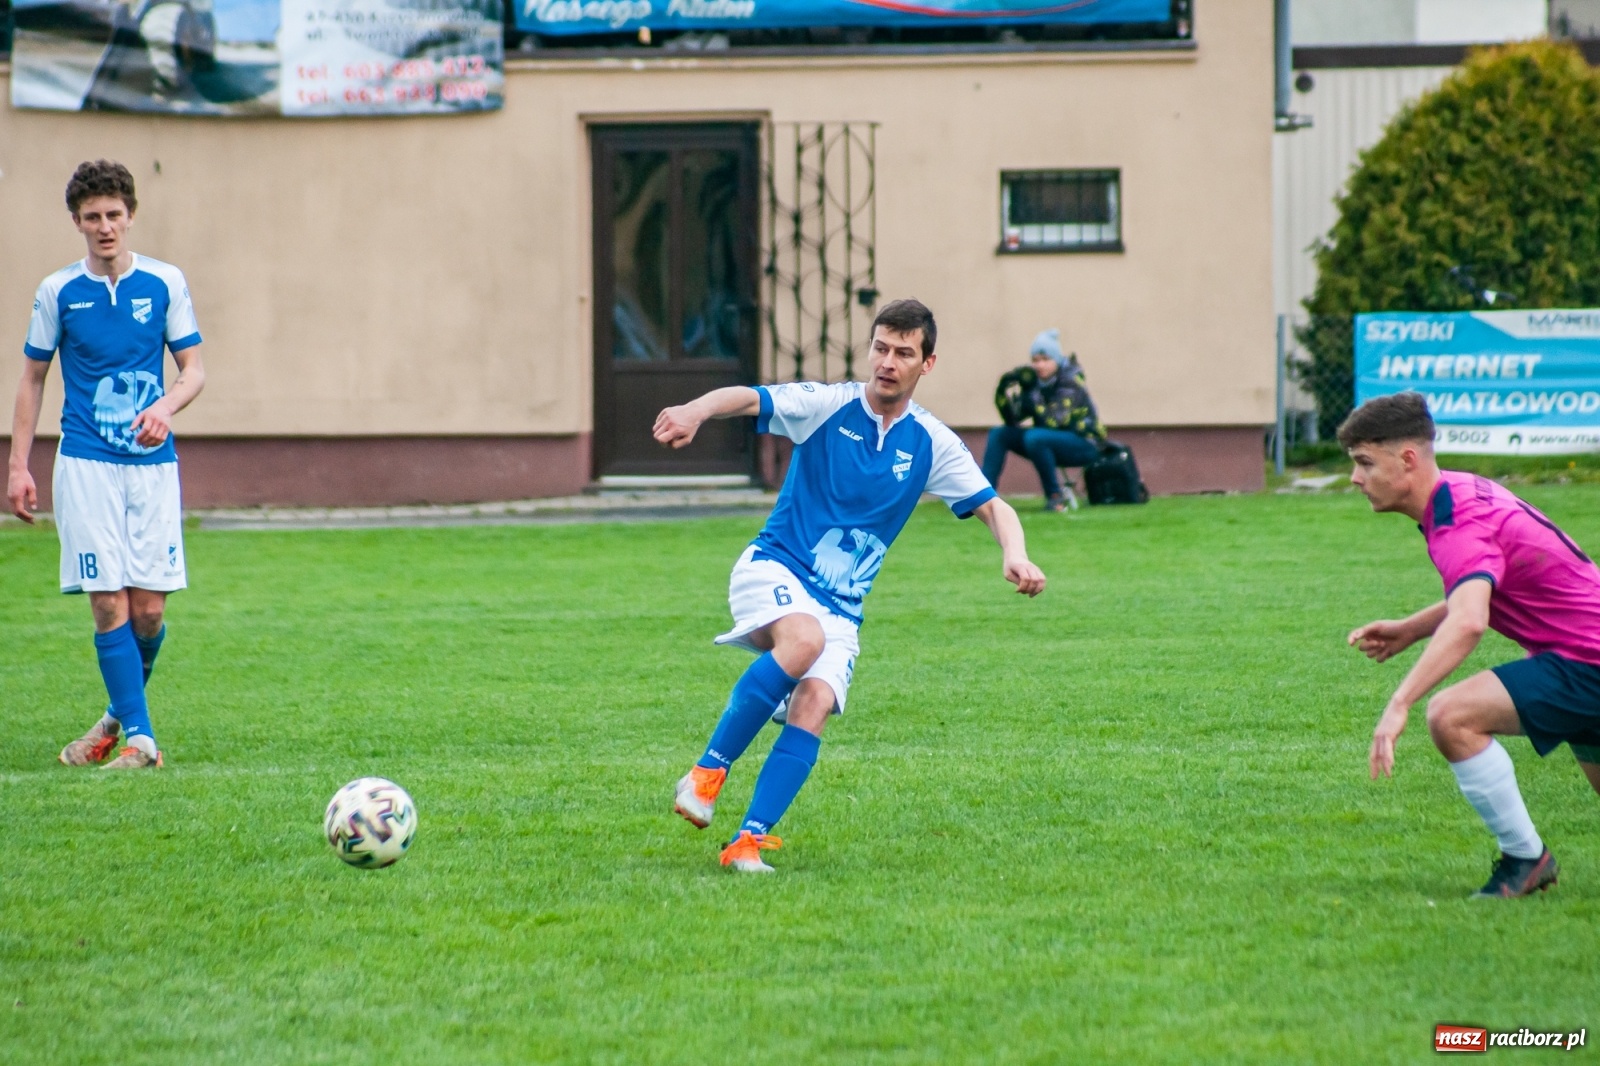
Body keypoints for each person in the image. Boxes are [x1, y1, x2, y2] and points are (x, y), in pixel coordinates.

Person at [652, 298, 1047, 873]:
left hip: (843, 607)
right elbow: (749, 397)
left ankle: (747, 841)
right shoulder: (827, 405)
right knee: (803, 640)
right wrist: (692, 410)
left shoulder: (930, 442)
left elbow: (994, 505)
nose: (888, 361)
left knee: (814, 702)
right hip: (775, 567)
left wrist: (1016, 554)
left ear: (926, 364)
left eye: (904, 353)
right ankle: (707, 773)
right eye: (881, 348)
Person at [1342, 392, 1600, 898]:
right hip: (1580, 653)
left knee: (1450, 715)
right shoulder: (1459, 492)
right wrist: (1413, 627)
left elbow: (1468, 622)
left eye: (1364, 463)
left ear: (1408, 460)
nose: (1356, 479)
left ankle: (1525, 859)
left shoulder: (1458, 522)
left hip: (1585, 663)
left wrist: (1400, 703)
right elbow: (1482, 587)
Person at [7, 159, 206, 770]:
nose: (104, 227)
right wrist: (19, 465)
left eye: (113, 215)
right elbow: (32, 380)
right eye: (91, 218)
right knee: (107, 601)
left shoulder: (165, 283)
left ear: (131, 215)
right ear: (77, 222)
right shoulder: (58, 291)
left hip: (151, 466)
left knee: (149, 610)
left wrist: (166, 408)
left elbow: (193, 370)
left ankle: (117, 718)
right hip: (86, 461)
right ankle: (143, 741)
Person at [980, 328, 1107, 512]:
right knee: (999, 434)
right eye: (1035, 361)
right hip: (1046, 441)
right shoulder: (1035, 383)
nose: (1040, 366)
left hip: (1085, 443)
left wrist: (1031, 392)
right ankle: (982, 497)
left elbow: (1055, 421)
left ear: (1057, 360)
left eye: (1046, 360)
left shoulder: (1070, 381)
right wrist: (1002, 392)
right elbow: (1013, 420)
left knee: (1035, 437)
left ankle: (1055, 498)